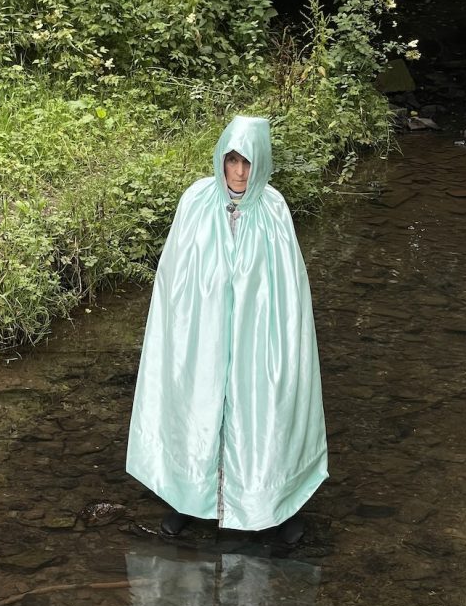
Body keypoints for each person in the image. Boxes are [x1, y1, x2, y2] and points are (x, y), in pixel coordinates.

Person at [126, 115, 327, 544]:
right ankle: (187, 500)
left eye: (248, 163)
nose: (238, 172)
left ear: (262, 165)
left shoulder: (274, 209)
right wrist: (188, 325)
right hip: (203, 331)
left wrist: (280, 342)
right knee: (196, 406)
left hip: (261, 335)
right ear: (220, 158)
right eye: (232, 160)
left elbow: (290, 288)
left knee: (267, 411)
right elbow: (174, 274)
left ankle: (278, 504)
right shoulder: (196, 200)